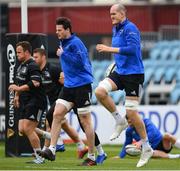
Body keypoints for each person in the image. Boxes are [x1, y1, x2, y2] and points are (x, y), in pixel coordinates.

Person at [95, 3, 153, 167]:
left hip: (134, 74)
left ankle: (146, 147)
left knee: (133, 115)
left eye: (114, 14)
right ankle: (119, 121)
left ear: (122, 14)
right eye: (110, 14)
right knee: (99, 92)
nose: (111, 16)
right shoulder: (116, 28)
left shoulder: (130, 28)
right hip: (120, 72)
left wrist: (109, 49)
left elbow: (133, 49)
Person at [38, 17, 96, 166]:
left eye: (59, 30)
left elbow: (82, 63)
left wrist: (64, 54)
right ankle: (52, 149)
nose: (57, 32)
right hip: (69, 86)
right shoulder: (63, 43)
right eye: (56, 30)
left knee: (85, 122)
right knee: (56, 114)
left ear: (67, 30)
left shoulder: (76, 43)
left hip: (82, 86)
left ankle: (92, 156)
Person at [33, 48, 89, 157]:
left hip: (63, 100)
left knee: (50, 123)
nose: (34, 59)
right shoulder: (39, 72)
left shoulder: (53, 69)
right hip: (53, 101)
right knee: (63, 124)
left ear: (43, 57)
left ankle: (46, 151)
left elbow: (65, 81)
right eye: (33, 57)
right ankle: (81, 146)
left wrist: (67, 99)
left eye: (36, 57)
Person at [8, 41, 47, 164]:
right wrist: (17, 96)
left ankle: (39, 157)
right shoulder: (21, 66)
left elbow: (36, 83)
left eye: (19, 52)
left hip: (36, 100)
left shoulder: (32, 65)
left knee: (28, 129)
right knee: (22, 129)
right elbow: (19, 83)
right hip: (26, 101)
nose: (17, 54)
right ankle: (48, 135)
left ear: (26, 52)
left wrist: (18, 89)